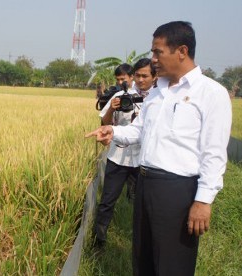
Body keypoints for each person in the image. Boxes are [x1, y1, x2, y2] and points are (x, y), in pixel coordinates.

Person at [86, 21, 232, 275]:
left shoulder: (210, 93)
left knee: (172, 263)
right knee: (143, 258)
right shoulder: (156, 92)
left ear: (182, 51)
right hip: (145, 184)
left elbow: (214, 152)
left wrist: (203, 200)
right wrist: (114, 131)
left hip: (177, 190)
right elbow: (140, 130)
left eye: (158, 52)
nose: (153, 59)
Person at [92, 61, 156, 248]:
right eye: (138, 75)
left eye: (145, 76)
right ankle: (99, 242)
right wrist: (112, 107)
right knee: (107, 201)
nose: (141, 79)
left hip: (143, 160)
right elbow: (105, 121)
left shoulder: (157, 98)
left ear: (154, 77)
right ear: (133, 76)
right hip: (118, 157)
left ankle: (139, 242)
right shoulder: (121, 95)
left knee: (142, 204)